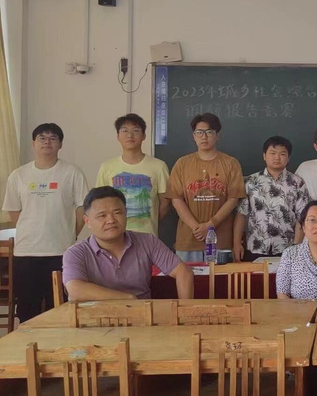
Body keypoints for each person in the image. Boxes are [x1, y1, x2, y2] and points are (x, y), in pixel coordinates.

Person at [2, 123, 89, 322]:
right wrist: (32, 228)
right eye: (42, 138)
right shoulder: (18, 175)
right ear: (33, 143)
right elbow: (14, 211)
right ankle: (27, 341)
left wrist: (71, 233)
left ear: (60, 144)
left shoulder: (72, 172)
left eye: (53, 138)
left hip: (60, 251)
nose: (47, 142)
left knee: (59, 307)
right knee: (27, 308)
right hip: (26, 252)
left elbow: (82, 207)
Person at [62, 187, 194, 301]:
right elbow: (75, 289)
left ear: (126, 213)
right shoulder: (76, 253)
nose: (111, 220)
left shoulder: (147, 241)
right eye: (102, 216)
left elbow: (183, 272)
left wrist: (185, 311)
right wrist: (127, 299)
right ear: (87, 221)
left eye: (117, 213)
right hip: (95, 318)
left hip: (142, 317)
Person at [166, 113, 245, 262]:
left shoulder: (231, 163)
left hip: (221, 240)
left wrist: (210, 225)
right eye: (199, 132)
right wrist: (196, 227)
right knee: (188, 276)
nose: (204, 137)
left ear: (217, 135)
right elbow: (176, 199)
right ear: (194, 136)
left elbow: (233, 199)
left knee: (221, 277)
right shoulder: (182, 164)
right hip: (188, 239)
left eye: (209, 132)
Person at [233, 136, 309, 261]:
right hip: (256, 248)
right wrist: (236, 244)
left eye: (282, 154)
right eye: (272, 153)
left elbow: (302, 217)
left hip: (287, 249)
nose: (277, 157)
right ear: (264, 156)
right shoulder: (251, 182)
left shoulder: (297, 183)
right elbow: (241, 215)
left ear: (288, 157)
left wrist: (296, 247)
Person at [96, 113, 171, 236]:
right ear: (118, 136)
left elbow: (166, 202)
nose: (130, 135)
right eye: (124, 131)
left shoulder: (159, 166)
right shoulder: (107, 167)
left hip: (147, 236)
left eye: (135, 130)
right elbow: (100, 202)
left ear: (144, 136)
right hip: (115, 236)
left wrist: (151, 221)